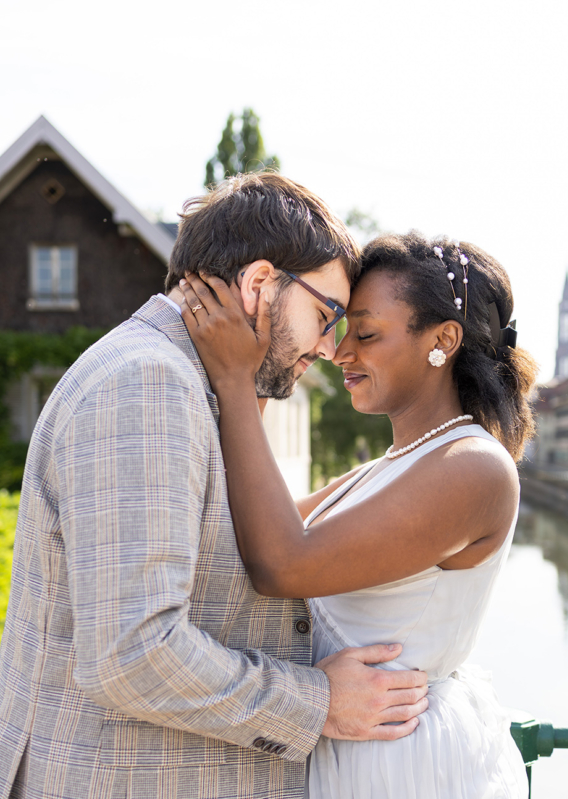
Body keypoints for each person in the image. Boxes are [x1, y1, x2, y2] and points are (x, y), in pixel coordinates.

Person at [0, 175, 430, 799]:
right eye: (326, 315)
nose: (333, 347)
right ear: (259, 285)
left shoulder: (186, 381)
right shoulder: (148, 383)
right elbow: (132, 652)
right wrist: (319, 702)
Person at [178, 230, 539, 798]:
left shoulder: (474, 468)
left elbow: (280, 564)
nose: (342, 352)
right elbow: (244, 531)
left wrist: (235, 378)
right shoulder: (394, 464)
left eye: (366, 333)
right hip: (349, 745)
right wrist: (273, 361)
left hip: (399, 767)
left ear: (442, 340)